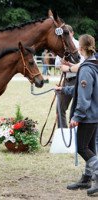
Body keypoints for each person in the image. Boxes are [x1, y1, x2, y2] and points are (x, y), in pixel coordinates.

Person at [55, 34, 98, 196]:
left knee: (82, 148)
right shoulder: (93, 64)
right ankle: (87, 178)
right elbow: (82, 90)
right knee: (91, 147)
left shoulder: (86, 69)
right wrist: (63, 89)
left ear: (80, 49)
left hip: (88, 116)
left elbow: (85, 96)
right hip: (94, 114)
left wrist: (77, 116)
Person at [55, 24, 84, 128]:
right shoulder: (62, 46)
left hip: (78, 79)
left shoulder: (78, 45)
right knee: (60, 107)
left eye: (68, 34)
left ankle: (75, 134)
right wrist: (62, 63)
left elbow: (83, 64)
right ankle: (63, 134)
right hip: (66, 80)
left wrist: (69, 67)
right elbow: (57, 64)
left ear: (72, 33)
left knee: (76, 109)